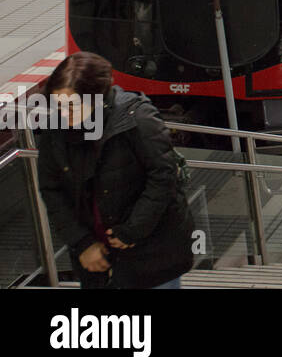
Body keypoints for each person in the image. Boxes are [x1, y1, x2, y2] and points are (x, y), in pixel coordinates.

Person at [37, 52, 195, 289]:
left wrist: (132, 231)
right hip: (96, 259)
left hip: (154, 254)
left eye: (72, 106)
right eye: (58, 105)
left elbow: (163, 175)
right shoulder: (56, 130)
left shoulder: (136, 118)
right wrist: (82, 242)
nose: (63, 114)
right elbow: (52, 189)